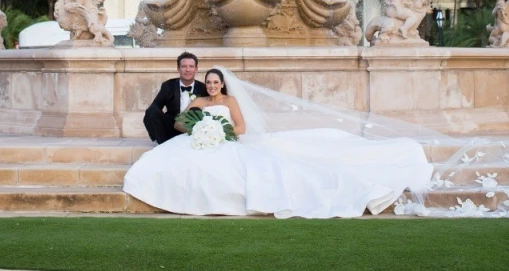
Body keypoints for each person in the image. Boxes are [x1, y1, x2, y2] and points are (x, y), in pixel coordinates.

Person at [125, 66, 434, 218]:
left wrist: (220, 131)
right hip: (201, 143)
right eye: (209, 82)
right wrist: (197, 129)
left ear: (222, 83)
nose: (212, 86)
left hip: (225, 143)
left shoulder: (230, 100)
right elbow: (180, 122)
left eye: (216, 82)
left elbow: (241, 127)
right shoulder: (199, 101)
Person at [143, 52, 207, 144]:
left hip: (193, 130)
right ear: (178, 69)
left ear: (196, 69)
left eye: (191, 66)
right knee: (152, 111)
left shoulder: (203, 88)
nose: (187, 70)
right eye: (184, 66)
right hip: (171, 128)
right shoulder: (168, 85)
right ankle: (163, 145)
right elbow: (155, 107)